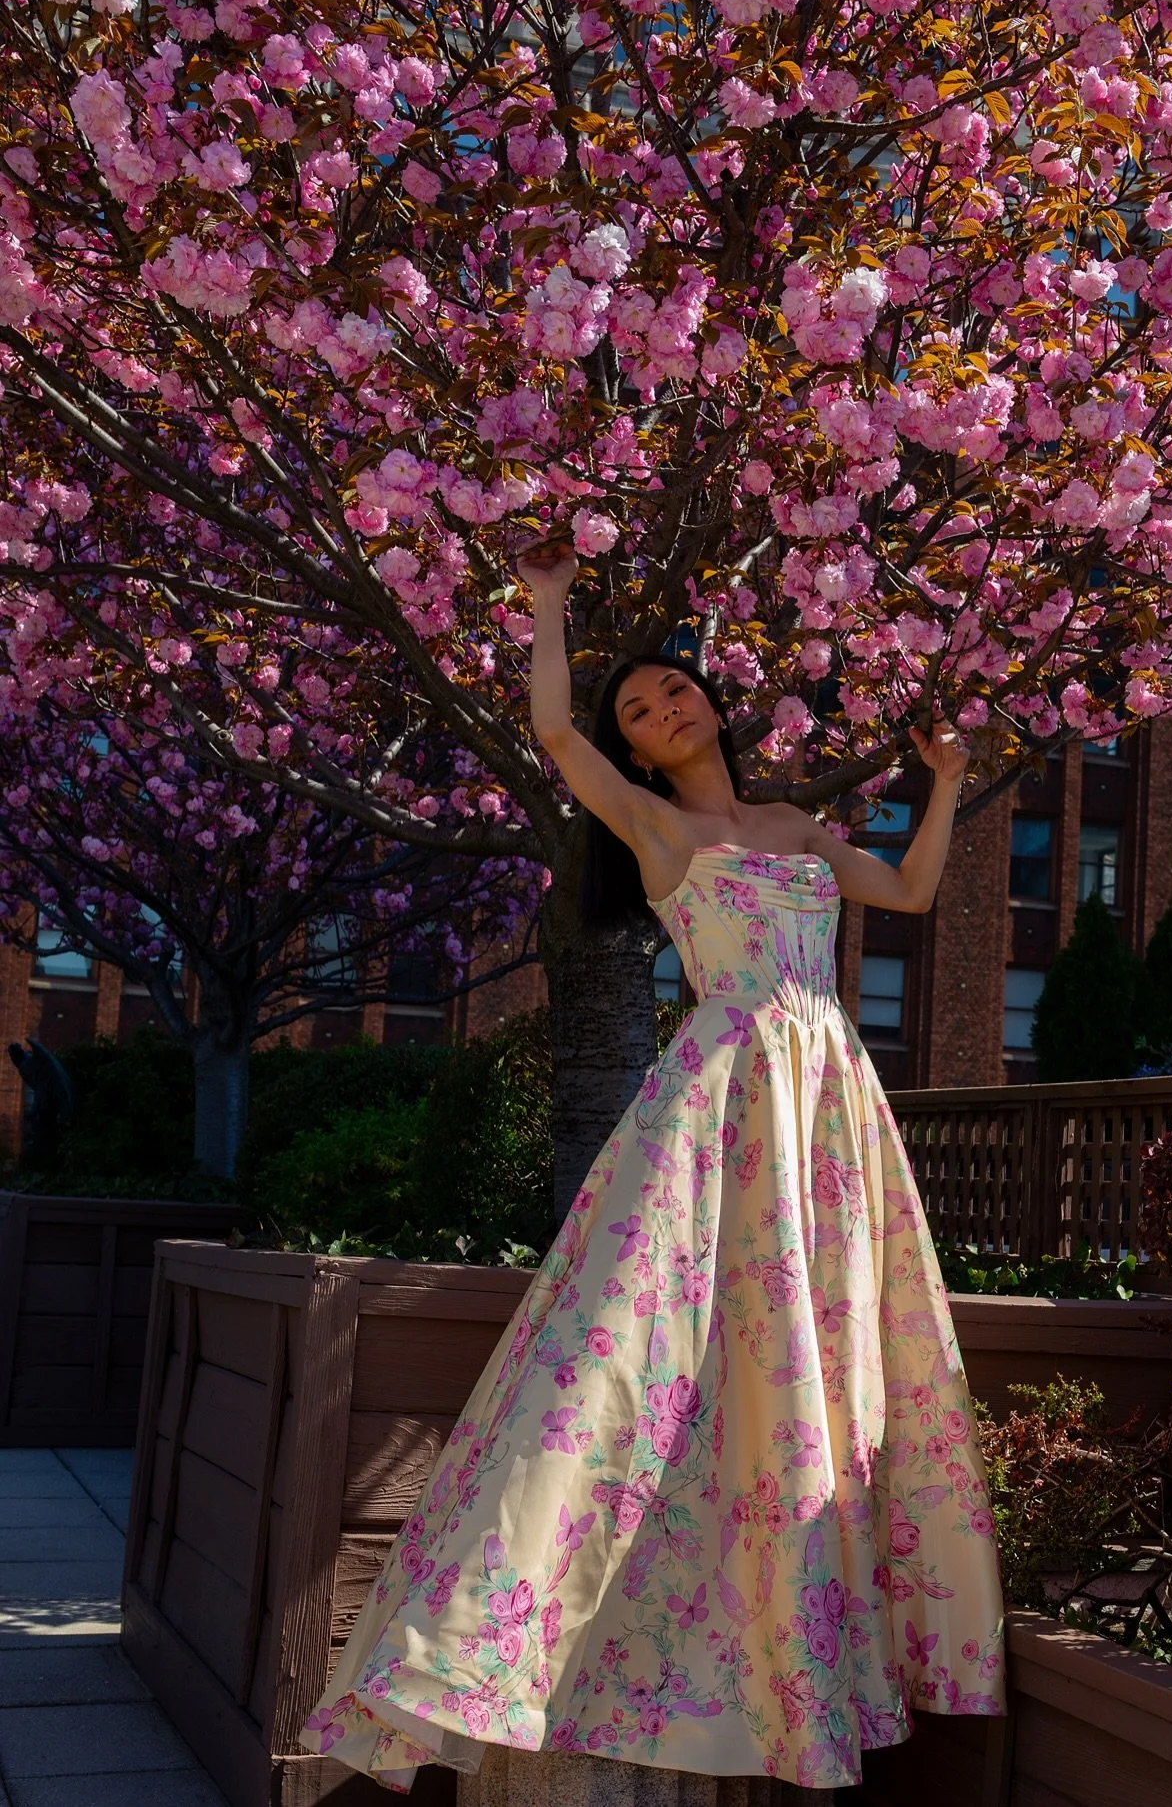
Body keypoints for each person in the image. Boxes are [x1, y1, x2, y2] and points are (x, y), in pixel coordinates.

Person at [300, 537, 1007, 1798]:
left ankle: (787, 1662)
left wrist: (947, 778)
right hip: (724, 1094)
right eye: (636, 710)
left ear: (713, 701)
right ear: (631, 749)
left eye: (671, 689)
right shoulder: (651, 822)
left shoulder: (795, 824)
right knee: (635, 1340)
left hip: (828, 1109)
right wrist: (553, 608)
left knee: (806, 1353)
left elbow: (905, 887)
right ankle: (488, 1651)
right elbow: (555, 733)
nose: (657, 710)